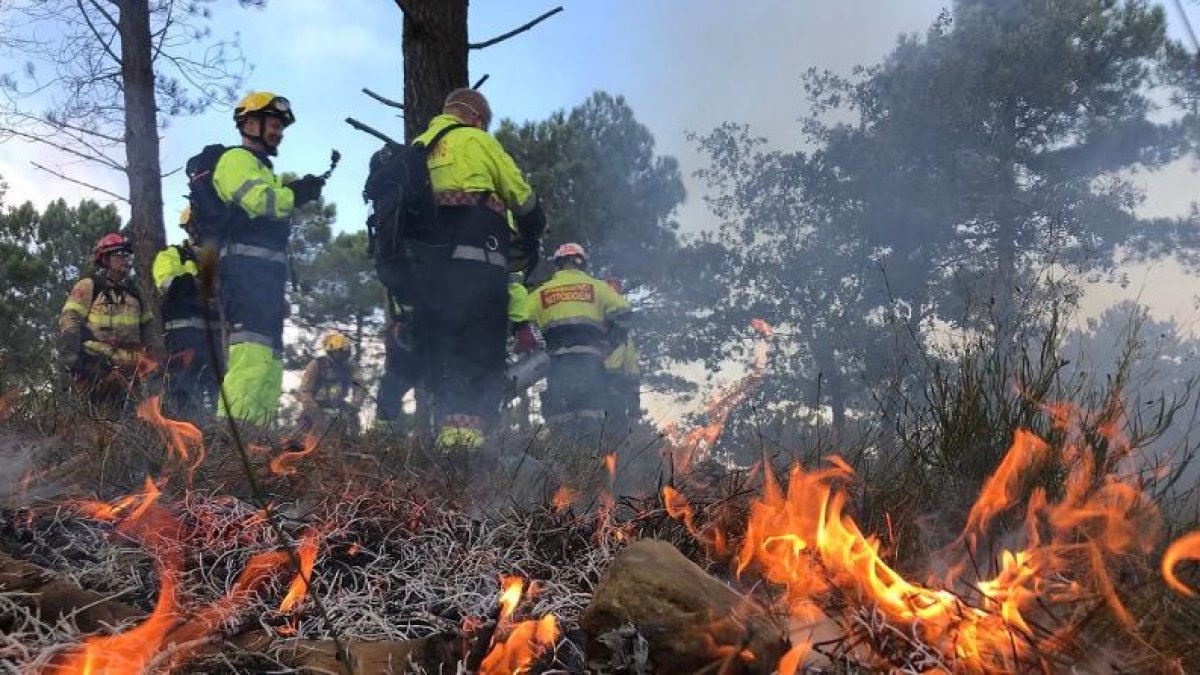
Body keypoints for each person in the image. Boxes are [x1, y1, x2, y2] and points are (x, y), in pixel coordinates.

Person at [413, 88, 547, 450]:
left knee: (443, 356)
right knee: (478, 353)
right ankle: (466, 451)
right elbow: (522, 198)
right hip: (477, 268)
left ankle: (445, 440)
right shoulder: (477, 140)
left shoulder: (418, 148)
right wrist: (534, 228)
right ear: (476, 118)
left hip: (426, 278)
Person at [212, 91, 324, 434]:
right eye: (273, 125)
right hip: (244, 277)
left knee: (270, 362)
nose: (278, 133)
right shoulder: (235, 160)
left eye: (280, 127)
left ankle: (257, 437)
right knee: (251, 357)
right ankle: (232, 439)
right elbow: (260, 201)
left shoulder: (264, 169)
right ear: (249, 124)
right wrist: (296, 193)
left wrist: (292, 190)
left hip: (265, 281)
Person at [525, 243, 631, 433]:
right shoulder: (598, 287)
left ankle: (564, 450)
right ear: (582, 263)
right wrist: (610, 342)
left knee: (560, 417)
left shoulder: (542, 292)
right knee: (592, 414)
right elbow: (625, 313)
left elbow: (518, 315)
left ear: (558, 264)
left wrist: (530, 340)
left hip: (557, 363)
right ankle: (590, 451)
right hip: (590, 361)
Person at [58, 233, 154, 416]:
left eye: (127, 255)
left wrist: (155, 359)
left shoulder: (136, 292)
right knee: (92, 419)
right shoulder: (90, 285)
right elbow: (70, 319)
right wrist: (72, 359)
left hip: (129, 372)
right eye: (119, 254)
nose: (125, 259)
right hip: (95, 367)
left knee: (127, 424)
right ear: (105, 259)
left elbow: (149, 330)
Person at [152, 206, 222, 422]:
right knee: (183, 389)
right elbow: (169, 284)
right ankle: (184, 432)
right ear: (189, 227)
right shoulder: (172, 255)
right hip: (183, 336)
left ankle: (215, 433)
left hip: (214, 338)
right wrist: (200, 284)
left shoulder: (219, 260)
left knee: (217, 390)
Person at [297, 331, 365, 436]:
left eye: (346, 352)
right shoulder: (317, 365)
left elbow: (360, 388)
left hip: (339, 406)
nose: (343, 355)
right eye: (340, 352)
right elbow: (305, 391)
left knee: (353, 422)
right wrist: (316, 412)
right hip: (317, 406)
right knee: (308, 430)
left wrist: (354, 407)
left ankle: (352, 440)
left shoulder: (352, 367)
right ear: (331, 352)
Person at [374, 293, 423, 435]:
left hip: (421, 359)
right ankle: (384, 434)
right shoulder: (398, 326)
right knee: (388, 392)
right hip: (401, 367)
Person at [602, 277, 642, 430]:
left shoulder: (586, 331)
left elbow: (632, 373)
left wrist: (634, 409)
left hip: (605, 392)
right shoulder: (625, 339)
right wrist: (634, 410)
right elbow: (632, 373)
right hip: (611, 393)